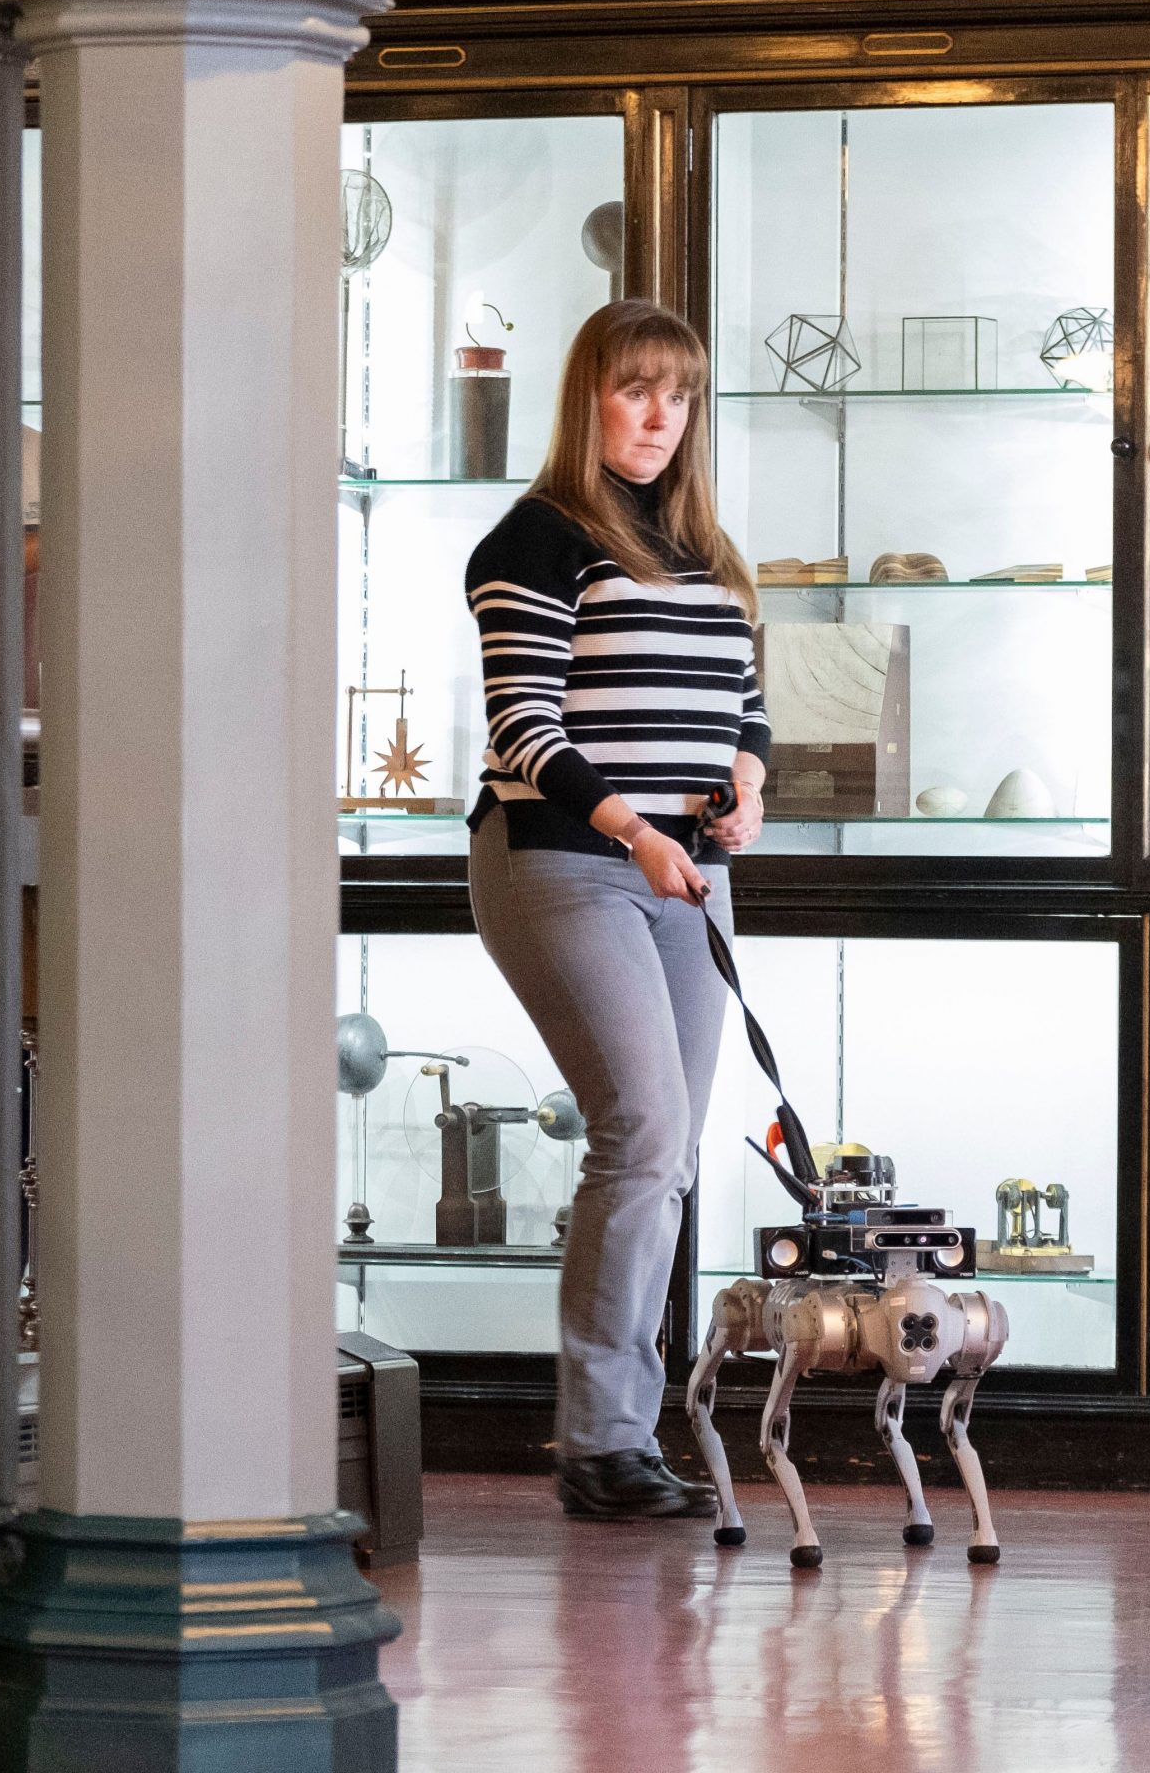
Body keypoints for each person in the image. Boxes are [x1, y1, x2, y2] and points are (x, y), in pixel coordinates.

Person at [463, 299, 768, 1521]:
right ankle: (599, 1444)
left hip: (685, 869)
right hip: (564, 860)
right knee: (640, 1128)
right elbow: (523, 732)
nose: (658, 417)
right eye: (635, 390)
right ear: (586, 395)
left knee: (668, 1152)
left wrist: (747, 780)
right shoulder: (533, 537)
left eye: (679, 396)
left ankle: (624, 1432)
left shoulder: (704, 548)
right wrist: (635, 827)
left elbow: (741, 697)